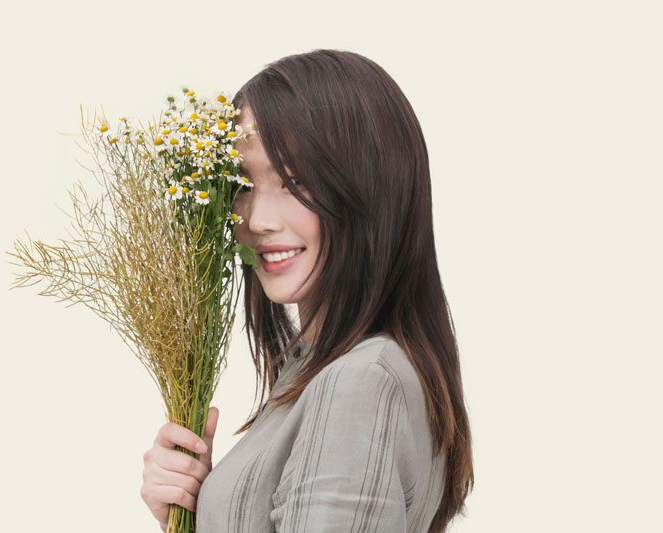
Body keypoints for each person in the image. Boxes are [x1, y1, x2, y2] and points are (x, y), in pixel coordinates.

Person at [140, 48, 474, 532]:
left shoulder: (358, 383)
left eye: (294, 181)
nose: (257, 219)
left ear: (369, 189)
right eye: (243, 184)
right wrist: (192, 513)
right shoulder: (321, 366)